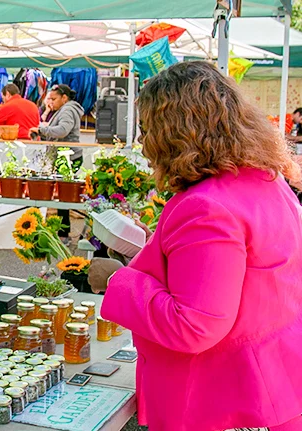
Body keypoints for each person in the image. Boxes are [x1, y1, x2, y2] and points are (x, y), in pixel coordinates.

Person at [96, 61, 302, 431]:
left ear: (173, 132)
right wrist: (154, 250)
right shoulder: (266, 180)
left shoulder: (207, 207)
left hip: (227, 401)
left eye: (147, 130)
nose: (144, 144)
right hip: (273, 383)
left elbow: (193, 324)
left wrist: (118, 279)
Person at [30, 84, 84, 243]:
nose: (51, 102)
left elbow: (62, 131)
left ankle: (63, 233)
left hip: (68, 158)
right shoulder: (66, 109)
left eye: (54, 99)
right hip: (66, 157)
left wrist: (42, 130)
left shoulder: (67, 110)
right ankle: (62, 232)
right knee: (63, 195)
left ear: (64, 98)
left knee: (64, 196)